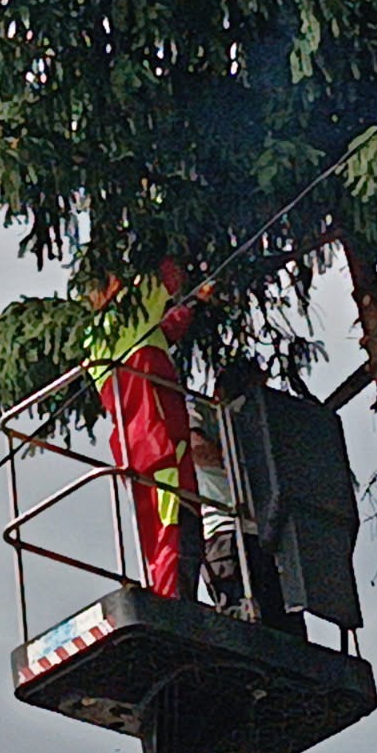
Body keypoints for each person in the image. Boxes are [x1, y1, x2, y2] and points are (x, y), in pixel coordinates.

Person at [82, 257, 201, 600]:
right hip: (161, 434)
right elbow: (166, 274)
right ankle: (176, 600)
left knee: (156, 528)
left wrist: (194, 304)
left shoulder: (96, 340)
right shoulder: (130, 309)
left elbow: (159, 334)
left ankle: (168, 594)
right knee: (177, 523)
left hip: (134, 446)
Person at [188, 379, 304, 638]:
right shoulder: (202, 410)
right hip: (225, 527)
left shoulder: (257, 421)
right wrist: (236, 462)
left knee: (283, 620)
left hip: (266, 533)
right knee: (241, 616)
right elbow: (198, 449)